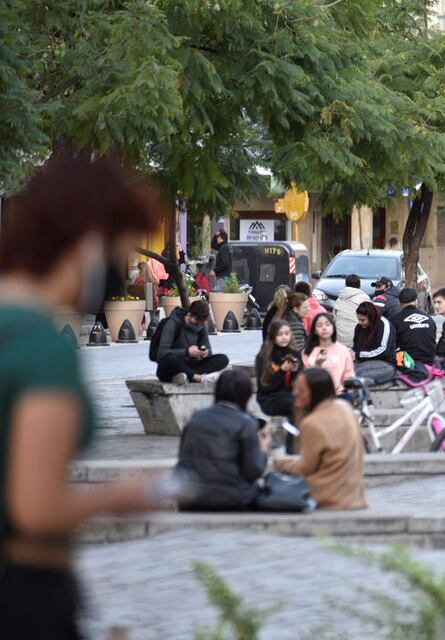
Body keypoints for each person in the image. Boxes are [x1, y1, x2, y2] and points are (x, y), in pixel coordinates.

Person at [0, 153, 165, 636]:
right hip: (25, 592)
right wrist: (123, 495)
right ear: (90, 240)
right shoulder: (41, 347)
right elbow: (35, 509)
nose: (123, 266)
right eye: (122, 249)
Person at [175, 369, 270, 511]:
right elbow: (253, 471)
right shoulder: (246, 423)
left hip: (190, 496)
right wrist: (263, 450)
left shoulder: (196, 417)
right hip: (231, 498)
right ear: (247, 394)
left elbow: (183, 457)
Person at [273, 368, 367, 510]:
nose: (294, 393)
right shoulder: (344, 407)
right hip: (354, 496)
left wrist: (278, 463)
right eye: (294, 388)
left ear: (315, 394)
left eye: (300, 390)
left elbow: (304, 467)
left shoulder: (312, 423)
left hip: (328, 497)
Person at [155, 299, 230, 384]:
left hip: (191, 364)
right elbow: (162, 353)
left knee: (222, 359)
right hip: (171, 366)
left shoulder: (201, 326)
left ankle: (184, 376)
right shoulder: (172, 323)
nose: (197, 326)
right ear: (190, 315)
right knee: (170, 358)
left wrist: (204, 353)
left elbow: (208, 350)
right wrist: (187, 352)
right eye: (195, 323)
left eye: (200, 324)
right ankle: (197, 378)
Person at [256, 320, 304, 421]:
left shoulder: (295, 354)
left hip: (290, 394)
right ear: (273, 336)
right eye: (279, 334)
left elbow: (298, 383)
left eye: (287, 333)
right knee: (295, 405)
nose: (284, 337)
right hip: (270, 397)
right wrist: (282, 371)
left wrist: (295, 372)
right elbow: (265, 387)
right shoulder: (265, 356)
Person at [303, 312, 355, 394]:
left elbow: (348, 375)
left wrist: (345, 390)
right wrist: (317, 364)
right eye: (320, 325)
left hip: (340, 394)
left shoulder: (343, 350)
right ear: (315, 331)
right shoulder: (307, 352)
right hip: (316, 395)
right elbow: (306, 378)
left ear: (333, 327)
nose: (324, 328)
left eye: (327, 324)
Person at [391, 287, 437, 365]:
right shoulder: (429, 319)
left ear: (399, 302)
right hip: (430, 361)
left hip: (408, 363)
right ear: (416, 301)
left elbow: (392, 345)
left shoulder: (395, 320)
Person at [352, 301, 396, 365]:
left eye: (363, 320)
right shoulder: (359, 327)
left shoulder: (384, 325)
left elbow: (383, 350)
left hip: (385, 362)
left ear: (371, 317)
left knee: (358, 372)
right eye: (359, 319)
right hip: (363, 361)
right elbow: (356, 347)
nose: (360, 323)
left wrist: (358, 354)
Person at [334, 274, 370, 347]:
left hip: (339, 340)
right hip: (357, 339)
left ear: (345, 284)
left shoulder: (339, 298)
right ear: (360, 285)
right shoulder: (364, 298)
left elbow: (334, 318)